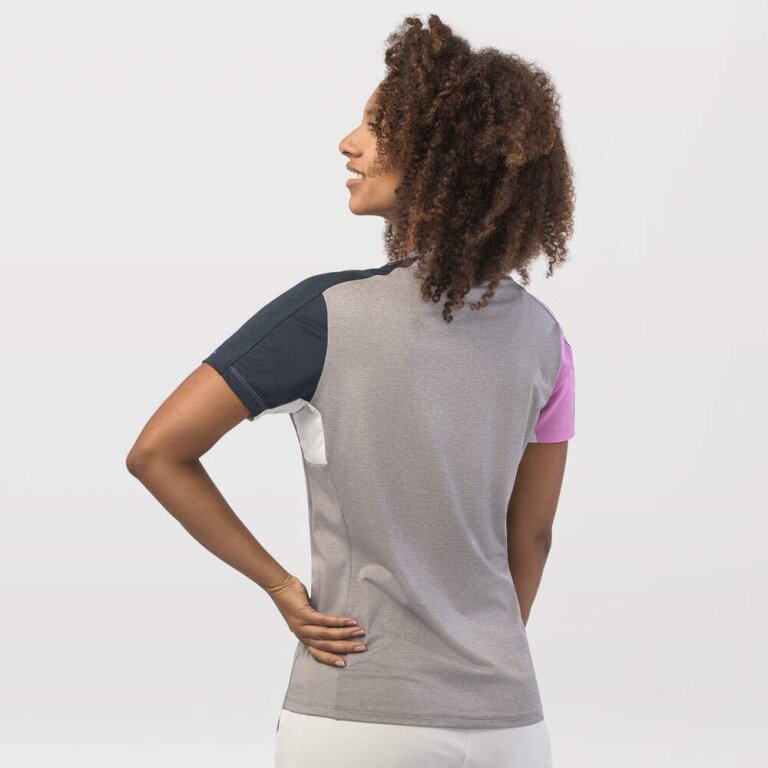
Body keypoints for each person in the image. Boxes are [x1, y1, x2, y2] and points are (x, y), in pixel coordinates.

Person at [126, 13, 575, 768]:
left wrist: (281, 588)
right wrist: (480, 659)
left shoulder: (324, 314)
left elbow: (157, 453)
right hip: (509, 723)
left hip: (358, 710)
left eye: (377, 125)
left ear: (439, 154)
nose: (349, 142)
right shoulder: (546, 339)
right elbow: (531, 537)